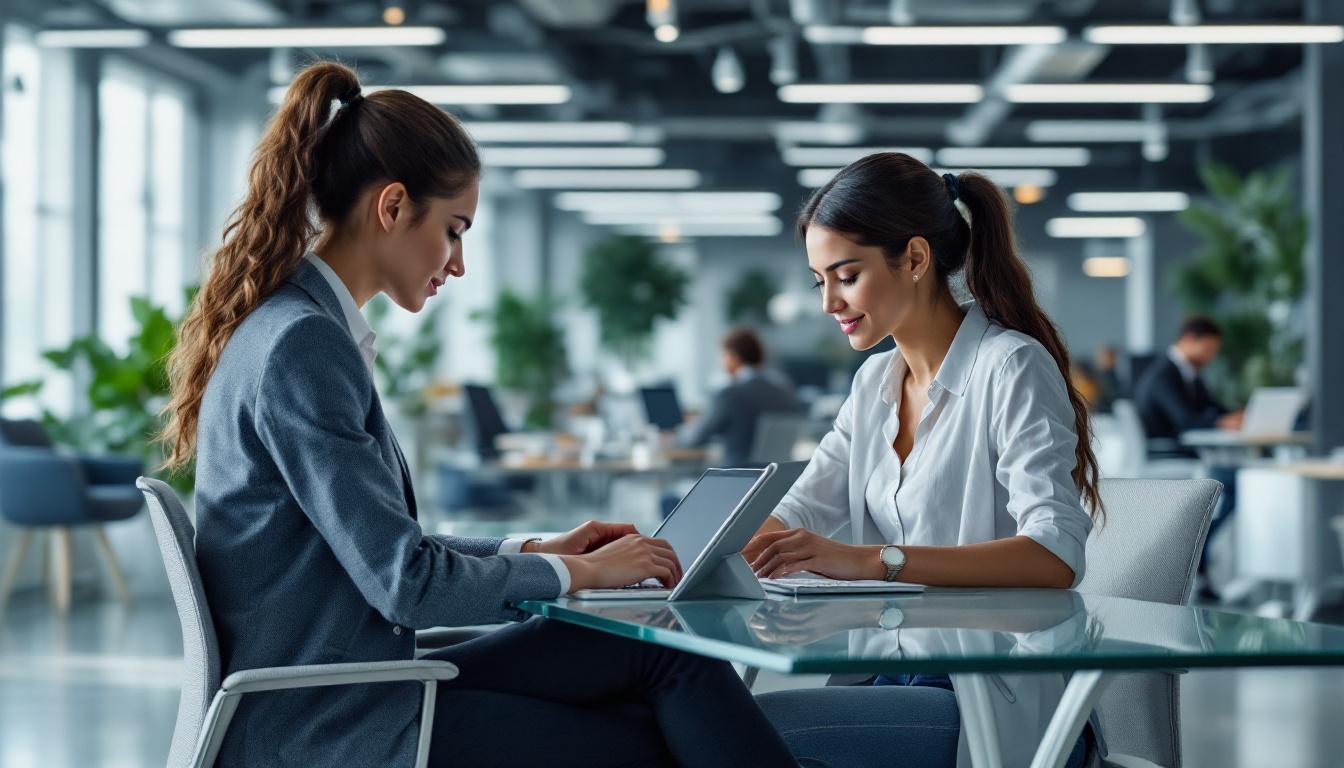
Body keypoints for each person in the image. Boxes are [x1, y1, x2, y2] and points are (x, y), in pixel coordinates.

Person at [159, 61, 795, 768]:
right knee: (654, 733)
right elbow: (406, 583)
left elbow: (386, 549)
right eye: (454, 230)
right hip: (334, 721)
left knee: (662, 654)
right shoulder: (303, 345)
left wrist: (540, 551)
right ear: (392, 206)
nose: (458, 263)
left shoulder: (295, 328)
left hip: (354, 687)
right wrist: (580, 574)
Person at [740, 153, 1101, 768]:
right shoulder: (874, 382)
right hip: (889, 677)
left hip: (986, 699)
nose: (829, 302)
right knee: (702, 710)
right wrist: (712, 553)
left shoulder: (1010, 367)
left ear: (913, 259)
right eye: (819, 280)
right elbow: (801, 508)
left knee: (744, 731)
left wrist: (869, 561)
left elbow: (1055, 554)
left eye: (846, 275)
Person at [1133, 316, 1243, 598]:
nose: (1210, 357)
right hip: (1167, 457)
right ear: (1189, 340)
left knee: (1235, 480)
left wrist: (1233, 416)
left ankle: (1200, 554)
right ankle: (1199, 554)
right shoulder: (1163, 375)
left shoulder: (1187, 373)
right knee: (1235, 482)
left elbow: (1210, 407)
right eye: (1208, 349)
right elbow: (1186, 419)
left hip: (1183, 454)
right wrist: (1222, 422)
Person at [677, 327, 803, 466]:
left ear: (732, 356)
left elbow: (694, 439)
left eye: (723, 355)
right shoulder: (785, 392)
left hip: (737, 475)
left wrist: (678, 433)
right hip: (778, 476)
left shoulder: (729, 395)